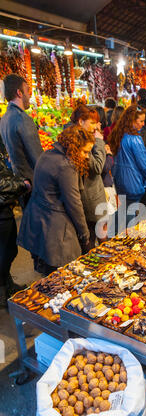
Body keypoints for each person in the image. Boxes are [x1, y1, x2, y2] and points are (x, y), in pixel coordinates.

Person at [17, 126, 93, 276]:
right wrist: (85, 234)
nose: (87, 156)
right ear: (73, 147)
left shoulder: (47, 154)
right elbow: (74, 203)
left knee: (45, 270)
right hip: (53, 227)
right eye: (85, 151)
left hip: (36, 218)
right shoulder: (66, 165)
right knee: (61, 275)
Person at [67, 105, 108, 246]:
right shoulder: (79, 141)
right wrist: (100, 142)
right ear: (80, 122)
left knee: (94, 238)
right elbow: (97, 167)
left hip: (90, 197)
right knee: (94, 240)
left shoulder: (76, 136)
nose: (95, 126)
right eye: (92, 123)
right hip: (90, 199)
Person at [0, 74, 43, 206]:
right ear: (19, 93)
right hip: (33, 182)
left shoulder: (4, 118)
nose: (29, 96)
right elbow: (38, 157)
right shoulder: (23, 119)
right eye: (27, 91)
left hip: (20, 181)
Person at [108, 105, 146, 229]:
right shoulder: (135, 139)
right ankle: (121, 240)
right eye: (141, 121)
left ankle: (113, 236)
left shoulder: (118, 135)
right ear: (132, 121)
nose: (143, 124)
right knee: (129, 215)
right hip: (133, 182)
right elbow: (143, 165)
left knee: (123, 210)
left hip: (120, 181)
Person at [0, 155, 30, 308]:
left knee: (7, 252)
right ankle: (4, 292)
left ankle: (7, 287)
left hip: (4, 210)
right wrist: (22, 184)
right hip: (2, 213)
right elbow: (2, 184)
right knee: (6, 252)